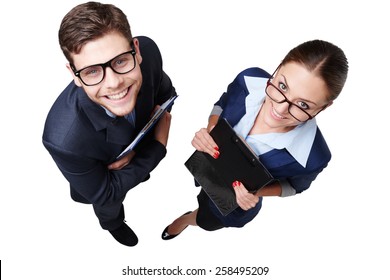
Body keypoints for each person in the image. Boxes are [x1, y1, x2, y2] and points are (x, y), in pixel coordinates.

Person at [161, 39, 348, 240]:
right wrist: (211, 129)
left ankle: (185, 220)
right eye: (282, 86)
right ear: (278, 68)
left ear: (324, 107)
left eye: (303, 104)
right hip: (207, 165)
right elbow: (222, 103)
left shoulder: (314, 157)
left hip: (234, 202)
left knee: (206, 220)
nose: (279, 108)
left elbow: (295, 186)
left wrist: (257, 193)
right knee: (201, 185)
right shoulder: (248, 79)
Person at [42, 2, 177, 247]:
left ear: (136, 49)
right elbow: (106, 193)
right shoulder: (63, 140)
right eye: (92, 71)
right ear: (74, 75)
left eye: (121, 61)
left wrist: (137, 153)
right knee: (108, 207)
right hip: (100, 179)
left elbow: (166, 94)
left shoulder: (150, 51)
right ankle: (113, 224)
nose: (114, 83)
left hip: (130, 151)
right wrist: (157, 146)